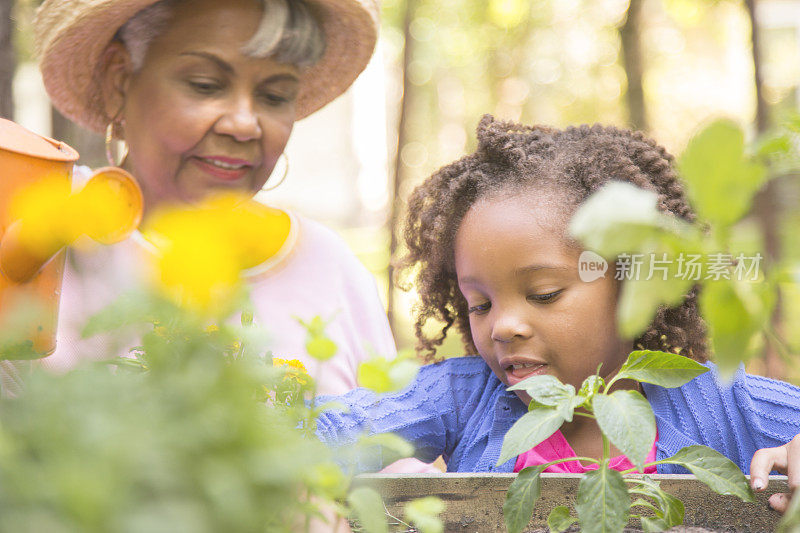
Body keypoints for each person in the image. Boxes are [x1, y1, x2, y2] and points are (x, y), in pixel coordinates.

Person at [315, 115, 800, 510]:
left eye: (544, 293)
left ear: (634, 283)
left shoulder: (725, 403)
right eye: (479, 304)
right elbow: (321, 437)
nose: (502, 327)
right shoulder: (463, 398)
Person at [18, 0, 397, 398]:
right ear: (120, 80)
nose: (244, 125)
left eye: (274, 96)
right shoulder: (41, 227)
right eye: (205, 85)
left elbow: (395, 452)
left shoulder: (327, 266)